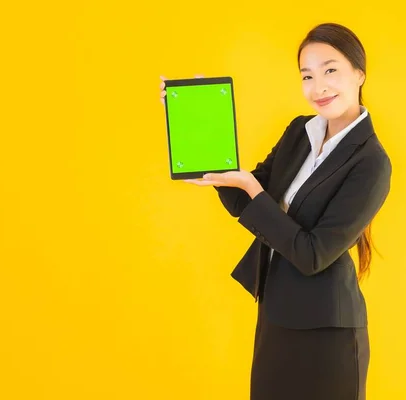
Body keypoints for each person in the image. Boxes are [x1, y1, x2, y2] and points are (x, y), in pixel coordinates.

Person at [160, 22, 391, 400]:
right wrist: (202, 121)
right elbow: (246, 201)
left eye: (330, 70)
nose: (319, 87)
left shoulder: (372, 163)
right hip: (276, 315)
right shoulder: (300, 132)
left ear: (359, 72)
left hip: (327, 335)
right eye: (307, 75)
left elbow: (312, 253)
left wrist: (252, 189)